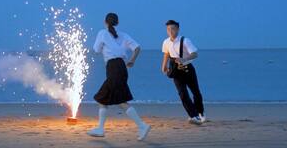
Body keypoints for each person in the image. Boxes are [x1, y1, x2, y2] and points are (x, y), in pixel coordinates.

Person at [87, 13, 151, 141]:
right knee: (102, 98)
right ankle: (100, 128)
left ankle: (142, 125)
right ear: (117, 22)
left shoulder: (102, 33)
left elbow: (96, 50)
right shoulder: (124, 35)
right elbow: (137, 48)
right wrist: (132, 60)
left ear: (105, 21)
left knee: (121, 101)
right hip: (120, 67)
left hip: (113, 67)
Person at [161, 19, 206, 124]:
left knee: (196, 92)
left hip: (187, 69)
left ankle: (200, 113)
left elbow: (195, 54)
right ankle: (193, 116)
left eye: (172, 29)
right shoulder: (166, 42)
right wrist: (164, 65)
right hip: (175, 70)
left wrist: (184, 59)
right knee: (182, 94)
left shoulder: (185, 40)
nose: (170, 31)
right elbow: (166, 54)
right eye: (168, 29)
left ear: (177, 29)